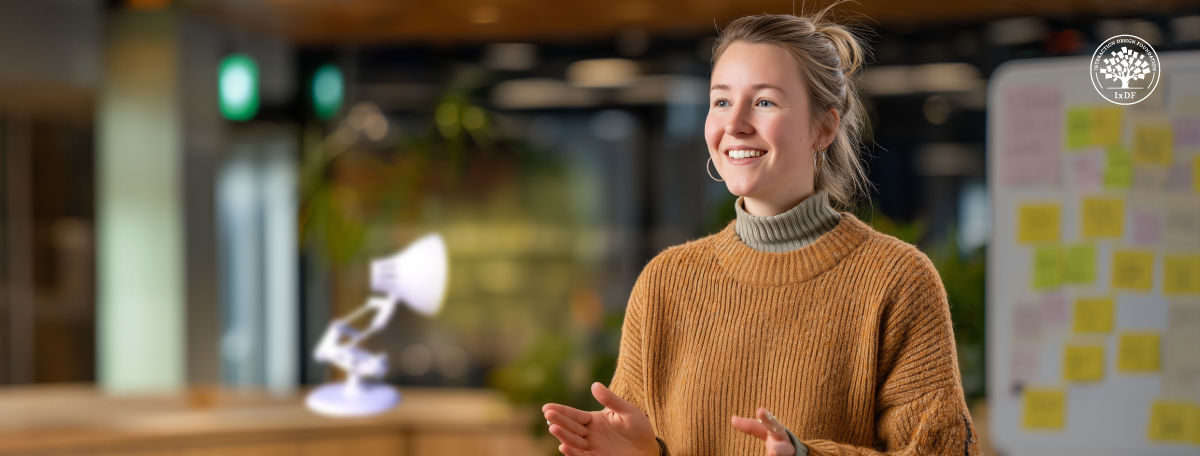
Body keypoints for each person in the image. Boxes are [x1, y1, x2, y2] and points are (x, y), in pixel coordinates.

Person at [543, 8, 982, 456]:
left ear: (824, 127)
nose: (734, 124)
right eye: (721, 101)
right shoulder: (666, 282)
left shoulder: (897, 280)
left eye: (765, 101)